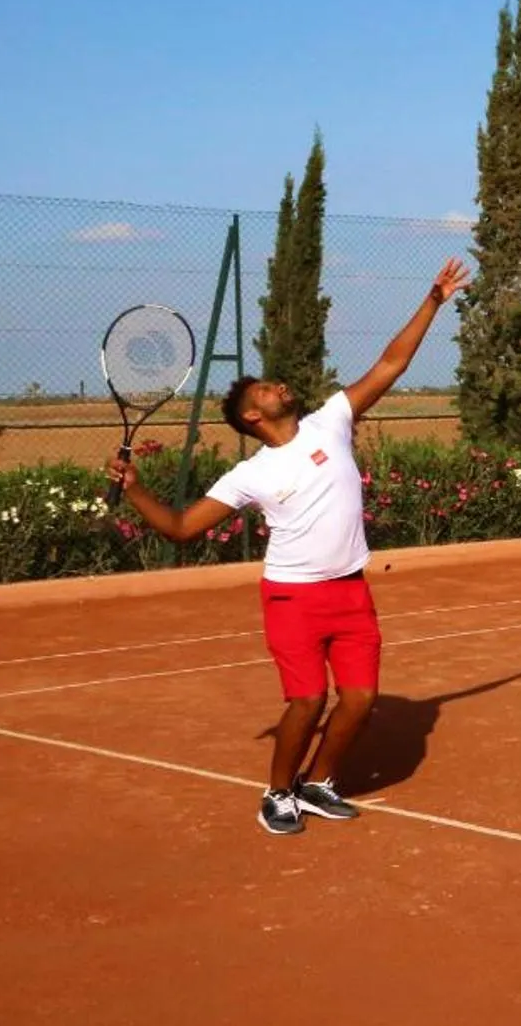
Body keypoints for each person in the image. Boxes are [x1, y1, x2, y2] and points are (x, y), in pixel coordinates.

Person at [110, 259, 471, 835]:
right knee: (307, 701)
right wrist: (134, 490)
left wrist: (433, 299)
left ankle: (318, 783)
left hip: (350, 591)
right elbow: (180, 528)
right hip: (293, 599)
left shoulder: (331, 421)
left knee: (360, 699)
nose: (279, 385)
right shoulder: (250, 474)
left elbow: (391, 364)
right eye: (266, 389)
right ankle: (277, 794)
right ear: (254, 416)